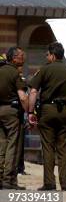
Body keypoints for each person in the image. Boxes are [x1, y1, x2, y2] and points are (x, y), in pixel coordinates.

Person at [28, 42, 66, 192]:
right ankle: (65, 184)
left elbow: (33, 92)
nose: (46, 57)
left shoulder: (44, 70)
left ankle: (49, 183)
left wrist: (30, 112)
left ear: (53, 55)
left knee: (48, 148)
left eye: (47, 54)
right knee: (64, 149)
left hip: (47, 110)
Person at [0, 48, 28, 190]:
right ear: (14, 58)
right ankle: (8, 180)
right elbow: (22, 97)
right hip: (11, 112)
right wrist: (29, 111)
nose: (24, 58)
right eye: (21, 56)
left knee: (1, 145)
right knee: (13, 146)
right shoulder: (14, 73)